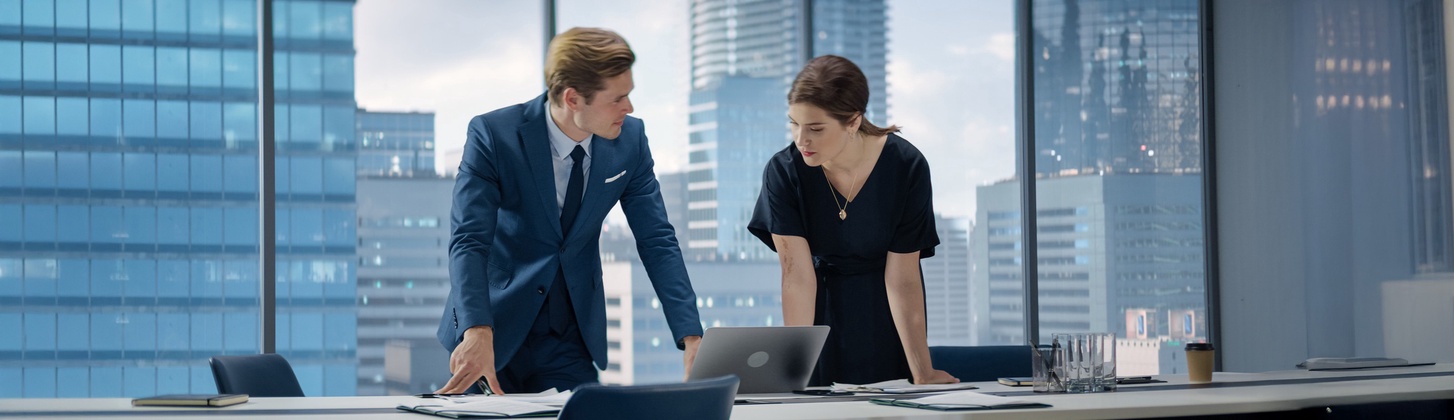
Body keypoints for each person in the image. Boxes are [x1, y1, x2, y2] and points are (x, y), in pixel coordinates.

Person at [435, 27, 703, 395]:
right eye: (617, 98)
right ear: (573, 98)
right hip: (492, 330)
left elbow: (657, 240)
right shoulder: (494, 136)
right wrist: (476, 329)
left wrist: (691, 335)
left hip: (569, 338)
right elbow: (469, 241)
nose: (629, 108)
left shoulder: (631, 142)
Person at [747, 55, 958, 386]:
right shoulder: (783, 171)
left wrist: (923, 372)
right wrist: (794, 373)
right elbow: (797, 277)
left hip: (887, 317)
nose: (801, 140)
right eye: (794, 124)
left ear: (854, 121)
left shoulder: (906, 166)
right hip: (818, 314)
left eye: (816, 128)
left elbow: (903, 278)